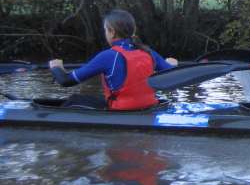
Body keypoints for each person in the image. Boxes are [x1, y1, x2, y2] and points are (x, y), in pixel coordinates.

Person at [49, 9, 178, 110]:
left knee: (74, 100)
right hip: (149, 107)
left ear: (112, 31)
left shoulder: (108, 56)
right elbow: (172, 76)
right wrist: (172, 64)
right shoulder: (149, 52)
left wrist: (56, 67)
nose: (105, 33)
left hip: (122, 111)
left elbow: (66, 81)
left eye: (105, 30)